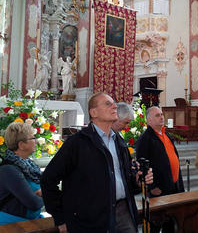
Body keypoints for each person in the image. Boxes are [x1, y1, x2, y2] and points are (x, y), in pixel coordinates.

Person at [41, 92, 153, 233]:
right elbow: (48, 179)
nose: (115, 106)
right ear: (93, 112)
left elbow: (124, 179)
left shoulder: (119, 142)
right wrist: (60, 218)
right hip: (91, 218)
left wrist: (138, 181)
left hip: (123, 212)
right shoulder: (77, 143)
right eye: (108, 104)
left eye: (114, 103)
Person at [135, 106, 184, 233]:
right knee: (156, 224)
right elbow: (142, 166)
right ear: (149, 120)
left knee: (171, 222)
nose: (161, 117)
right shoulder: (145, 139)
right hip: (159, 189)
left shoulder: (166, 134)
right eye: (157, 115)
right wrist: (152, 187)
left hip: (174, 186)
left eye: (161, 114)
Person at [0, 123, 43, 225]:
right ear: (21, 145)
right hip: (10, 225)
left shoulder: (29, 166)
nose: (36, 141)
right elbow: (34, 204)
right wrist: (46, 194)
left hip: (27, 223)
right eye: (33, 138)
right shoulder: (9, 170)